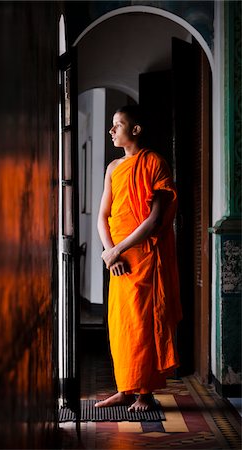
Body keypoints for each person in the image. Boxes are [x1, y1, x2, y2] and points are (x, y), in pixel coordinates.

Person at [95, 105, 182, 412]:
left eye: (117, 125)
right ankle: (125, 388)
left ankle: (144, 392)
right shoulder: (113, 168)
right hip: (117, 260)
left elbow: (155, 220)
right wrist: (110, 251)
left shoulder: (154, 162)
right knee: (120, 324)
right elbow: (102, 216)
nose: (112, 131)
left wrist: (117, 250)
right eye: (111, 126)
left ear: (136, 129)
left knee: (144, 323)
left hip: (143, 256)